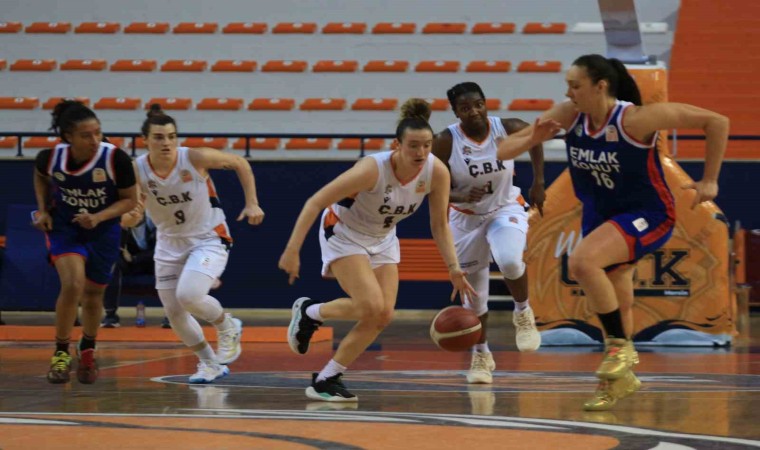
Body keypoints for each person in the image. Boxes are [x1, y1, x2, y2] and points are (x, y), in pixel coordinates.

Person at [496, 54, 728, 410]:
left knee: (583, 262)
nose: (568, 92)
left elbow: (717, 121)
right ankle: (618, 381)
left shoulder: (636, 119)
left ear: (600, 86)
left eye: (575, 85)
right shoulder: (568, 114)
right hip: (601, 215)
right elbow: (502, 151)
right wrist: (534, 137)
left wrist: (710, 179)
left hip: (648, 213)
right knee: (618, 295)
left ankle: (620, 347)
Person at [279, 98, 477, 402]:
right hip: (344, 232)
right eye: (413, 145)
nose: (421, 152)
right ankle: (310, 312)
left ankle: (327, 378)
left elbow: (439, 224)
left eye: (426, 145)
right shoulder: (372, 169)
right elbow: (315, 201)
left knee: (382, 315)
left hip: (382, 237)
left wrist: (453, 268)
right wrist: (292, 249)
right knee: (369, 305)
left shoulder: (436, 172)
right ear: (397, 145)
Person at [124, 104, 265, 384]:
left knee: (189, 295)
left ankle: (227, 325)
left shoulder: (193, 157)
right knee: (174, 313)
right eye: (159, 137)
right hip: (168, 242)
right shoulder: (135, 170)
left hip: (208, 236)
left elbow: (240, 163)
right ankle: (210, 364)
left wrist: (252, 203)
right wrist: (131, 217)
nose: (166, 143)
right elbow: (129, 217)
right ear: (145, 140)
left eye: (172, 136)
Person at [432, 82, 545, 385]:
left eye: (478, 104)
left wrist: (538, 182)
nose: (474, 111)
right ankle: (481, 353)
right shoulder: (445, 141)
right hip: (465, 219)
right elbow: (432, 186)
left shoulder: (507, 127)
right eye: (465, 108)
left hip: (504, 208)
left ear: (485, 104)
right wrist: (460, 196)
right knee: (475, 299)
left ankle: (522, 313)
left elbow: (536, 138)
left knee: (509, 260)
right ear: (456, 112)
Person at [32, 100, 138, 384]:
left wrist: (99, 216)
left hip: (103, 230)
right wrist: (42, 210)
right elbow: (40, 177)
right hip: (66, 228)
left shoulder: (115, 159)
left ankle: (88, 348)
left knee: (93, 295)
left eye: (98, 133)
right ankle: (61, 352)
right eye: (86, 135)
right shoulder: (50, 158)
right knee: (73, 284)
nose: (94, 140)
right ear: (68, 136)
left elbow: (130, 200)